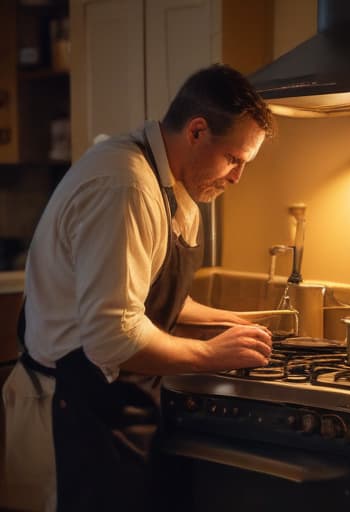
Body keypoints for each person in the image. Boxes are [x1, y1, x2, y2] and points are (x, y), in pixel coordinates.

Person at [2, 63, 275, 512]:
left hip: (112, 410)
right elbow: (114, 335)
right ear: (197, 131)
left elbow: (149, 293)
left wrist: (229, 322)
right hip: (71, 418)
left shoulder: (170, 181)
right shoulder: (125, 186)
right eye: (234, 159)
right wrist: (210, 355)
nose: (237, 178)